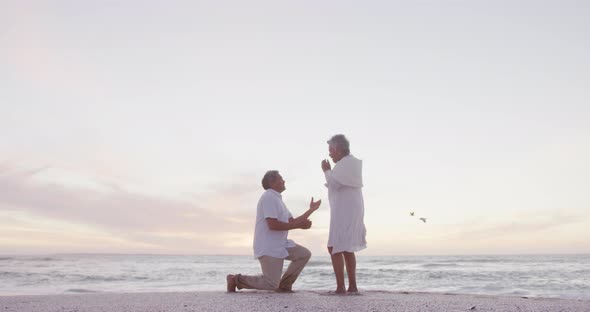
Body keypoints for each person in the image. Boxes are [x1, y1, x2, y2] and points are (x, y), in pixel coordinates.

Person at [226, 170, 321, 292]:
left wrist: (311, 210)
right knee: (270, 284)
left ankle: (284, 285)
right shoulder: (268, 197)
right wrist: (299, 226)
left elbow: (292, 221)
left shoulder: (278, 199)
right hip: (268, 246)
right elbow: (273, 225)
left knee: (304, 254)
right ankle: (235, 279)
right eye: (281, 179)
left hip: (281, 244)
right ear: (271, 183)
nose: (284, 181)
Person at [321, 134, 367, 294]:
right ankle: (352, 286)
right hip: (350, 209)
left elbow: (333, 182)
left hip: (344, 211)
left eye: (331, 150)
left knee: (334, 246)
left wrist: (326, 171)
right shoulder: (350, 164)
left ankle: (341, 287)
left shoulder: (345, 164)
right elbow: (337, 184)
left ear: (338, 149)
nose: (329, 154)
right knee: (347, 247)